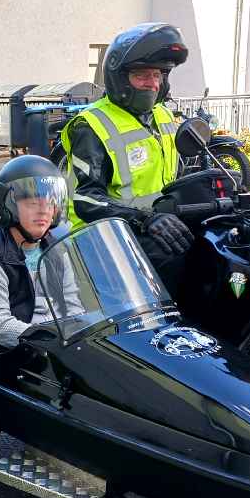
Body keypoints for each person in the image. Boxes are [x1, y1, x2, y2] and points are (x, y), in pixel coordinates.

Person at [62, 22, 193, 298]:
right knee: (178, 264)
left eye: (158, 75)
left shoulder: (163, 118)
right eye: (143, 75)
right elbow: (86, 201)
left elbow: (178, 177)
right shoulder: (92, 125)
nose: (153, 83)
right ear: (120, 78)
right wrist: (146, 219)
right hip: (102, 240)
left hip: (150, 230)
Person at [0, 156, 80, 352]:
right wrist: (51, 341)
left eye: (49, 204)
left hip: (53, 345)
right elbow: (1, 328)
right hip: (8, 353)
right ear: (9, 207)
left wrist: (79, 335)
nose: (44, 212)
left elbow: (72, 305)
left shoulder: (56, 250)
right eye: (32, 204)